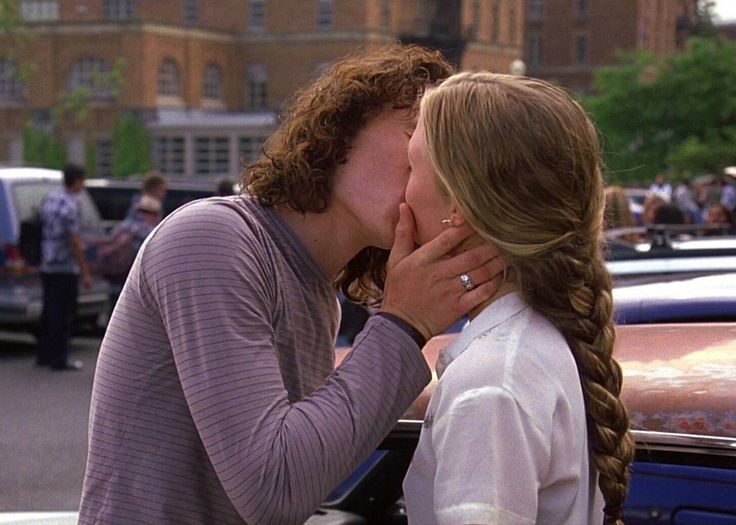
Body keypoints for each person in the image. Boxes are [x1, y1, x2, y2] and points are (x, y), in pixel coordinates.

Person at [78, 45, 504, 524]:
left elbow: (316, 423)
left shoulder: (315, 290)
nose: (428, 171)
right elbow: (273, 488)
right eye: (415, 139)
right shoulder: (214, 240)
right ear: (341, 132)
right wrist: (404, 327)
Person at [401, 72, 634, 525]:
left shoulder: (491, 382)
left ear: (458, 210)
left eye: (411, 167)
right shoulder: (536, 340)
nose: (401, 187)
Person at [36, 164, 92, 371]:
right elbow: (74, 240)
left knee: (48, 311)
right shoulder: (71, 204)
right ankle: (59, 359)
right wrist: (84, 270)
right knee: (64, 314)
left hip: (47, 262)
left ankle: (43, 354)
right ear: (77, 181)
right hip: (65, 266)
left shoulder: (50, 199)